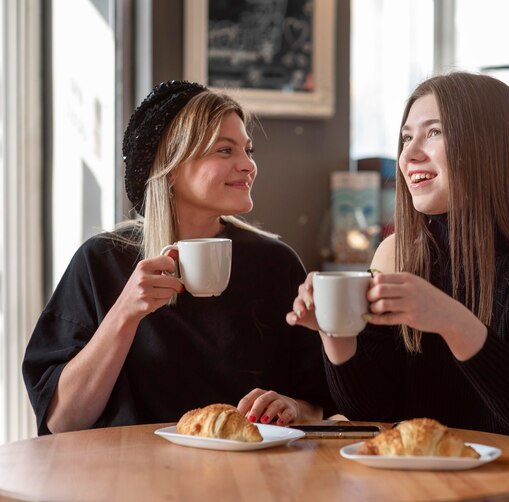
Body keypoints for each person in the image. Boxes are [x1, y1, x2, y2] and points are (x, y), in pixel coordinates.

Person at [287, 72, 509, 502]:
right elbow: (373, 408)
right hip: (425, 485)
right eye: (406, 137)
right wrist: (335, 332)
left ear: (490, 147)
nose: (410, 153)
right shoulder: (396, 252)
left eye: (434, 133)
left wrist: (448, 319)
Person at [23, 80, 335, 435]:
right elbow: (62, 421)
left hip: (251, 479)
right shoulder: (101, 262)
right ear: (171, 166)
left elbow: (318, 404)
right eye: (225, 150)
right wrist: (125, 312)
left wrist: (293, 407)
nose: (248, 165)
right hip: (132, 479)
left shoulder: (277, 264)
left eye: (248, 150)